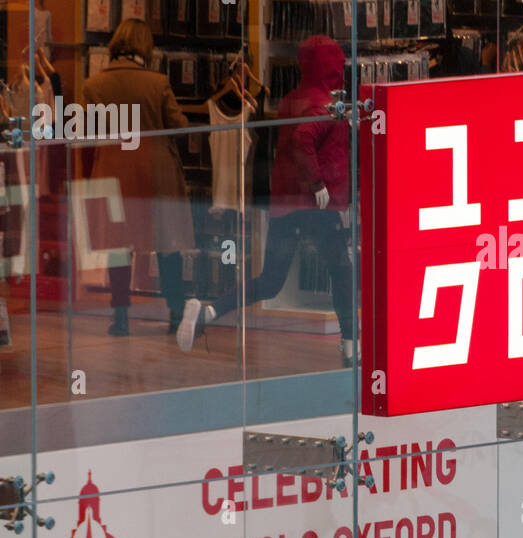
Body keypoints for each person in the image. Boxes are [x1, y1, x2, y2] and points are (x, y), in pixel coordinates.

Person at [178, 35, 354, 366]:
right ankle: (349, 345)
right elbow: (305, 138)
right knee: (341, 271)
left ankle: (209, 310)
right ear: (332, 65)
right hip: (316, 205)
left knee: (271, 280)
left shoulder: (292, 98)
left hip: (286, 205)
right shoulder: (324, 103)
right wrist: (318, 184)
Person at [82, 18, 194, 337]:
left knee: (119, 247)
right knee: (166, 243)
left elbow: (87, 132)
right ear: (145, 46)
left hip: (114, 170)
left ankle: (120, 318)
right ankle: (175, 313)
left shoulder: (93, 86)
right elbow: (180, 127)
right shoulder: (157, 83)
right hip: (154, 172)